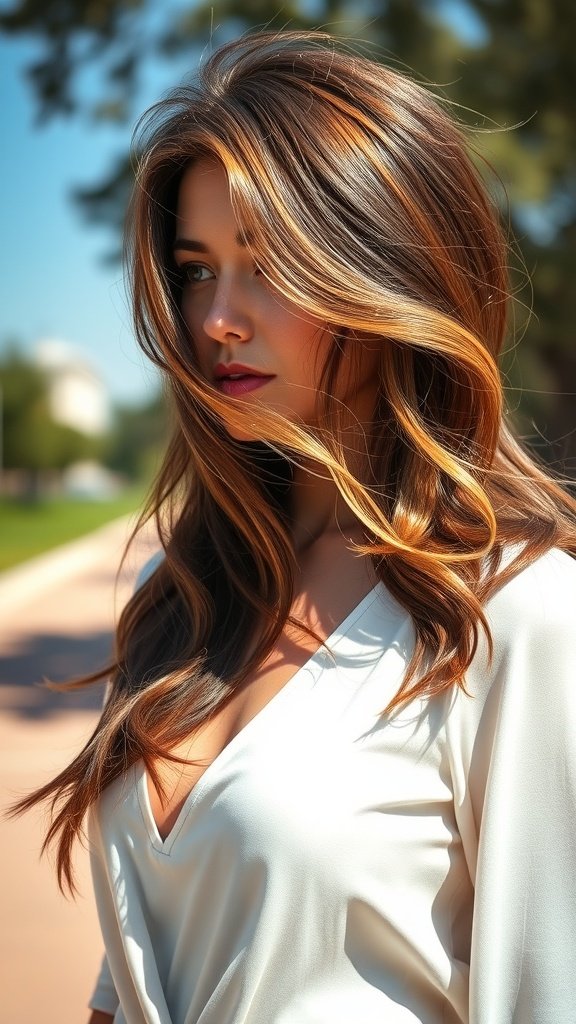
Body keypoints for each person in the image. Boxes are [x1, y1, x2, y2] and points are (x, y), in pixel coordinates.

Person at [14, 29, 576, 1024]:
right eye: (196, 269)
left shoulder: (516, 612)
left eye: (265, 263)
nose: (219, 318)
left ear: (388, 276)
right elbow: (144, 963)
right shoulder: (181, 600)